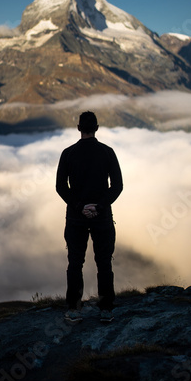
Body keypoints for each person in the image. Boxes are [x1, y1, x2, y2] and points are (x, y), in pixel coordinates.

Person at [56, 111, 123, 323]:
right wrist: (100, 207)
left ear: (78, 128)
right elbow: (117, 186)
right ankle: (106, 310)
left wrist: (79, 207)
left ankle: (74, 309)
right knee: (104, 263)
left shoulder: (68, 153)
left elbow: (60, 187)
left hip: (76, 219)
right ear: (96, 127)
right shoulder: (107, 152)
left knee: (75, 263)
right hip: (102, 219)